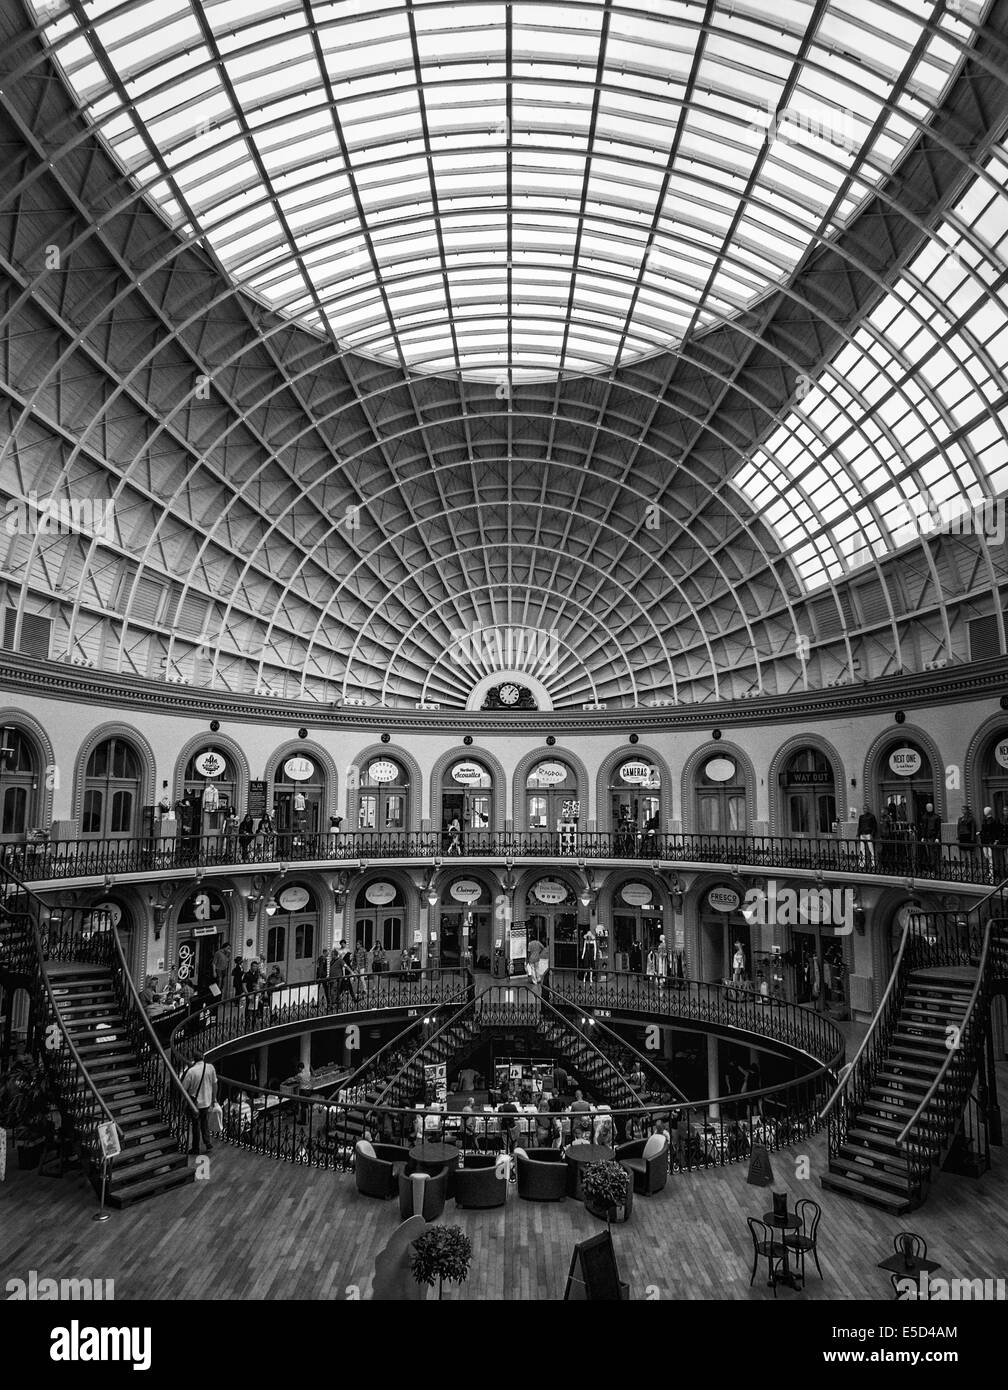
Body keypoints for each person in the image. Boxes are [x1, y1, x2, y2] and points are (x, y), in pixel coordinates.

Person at [180, 1050, 218, 1155]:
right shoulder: (210, 1068)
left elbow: (183, 1088)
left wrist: (183, 1102)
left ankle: (195, 1147)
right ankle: (207, 1142)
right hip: (207, 1101)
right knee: (204, 1123)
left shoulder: (191, 1071)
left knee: (195, 1125)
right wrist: (213, 1099)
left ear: (194, 1059)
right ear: (203, 1057)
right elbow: (215, 1085)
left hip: (195, 1103)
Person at [917, 802, 943, 874]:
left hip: (933, 837)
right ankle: (929, 869)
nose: (929, 808)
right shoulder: (924, 817)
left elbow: (938, 828)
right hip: (926, 837)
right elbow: (923, 828)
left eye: (930, 807)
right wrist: (922, 836)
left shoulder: (936, 817)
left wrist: (937, 837)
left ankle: (935, 870)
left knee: (933, 854)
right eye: (928, 807)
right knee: (927, 854)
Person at [956, 805, 978, 877]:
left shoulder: (971, 819)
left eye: (964, 809)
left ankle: (971, 871)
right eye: (962, 810)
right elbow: (958, 828)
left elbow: (973, 829)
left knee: (969, 855)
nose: (963, 811)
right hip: (962, 837)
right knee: (963, 855)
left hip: (968, 837)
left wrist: (972, 839)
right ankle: (965, 870)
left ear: (967, 810)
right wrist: (958, 836)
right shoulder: (960, 819)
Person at [980, 806, 999, 881]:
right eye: (984, 810)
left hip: (990, 840)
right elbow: (983, 830)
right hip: (984, 840)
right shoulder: (984, 820)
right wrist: (980, 833)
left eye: (986, 811)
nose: (984, 812)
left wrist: (996, 840)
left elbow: (995, 831)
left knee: (990, 857)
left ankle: (992, 874)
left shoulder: (993, 820)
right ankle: (989, 872)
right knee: (986, 856)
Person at [856, 802, 877, 870]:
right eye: (864, 808)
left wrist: (872, 834)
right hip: (862, 834)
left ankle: (874, 864)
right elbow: (859, 826)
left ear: (868, 809)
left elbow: (874, 826)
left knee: (871, 850)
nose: (865, 810)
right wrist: (858, 834)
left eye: (866, 808)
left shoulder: (872, 816)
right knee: (862, 849)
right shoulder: (861, 817)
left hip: (868, 834)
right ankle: (862, 864)